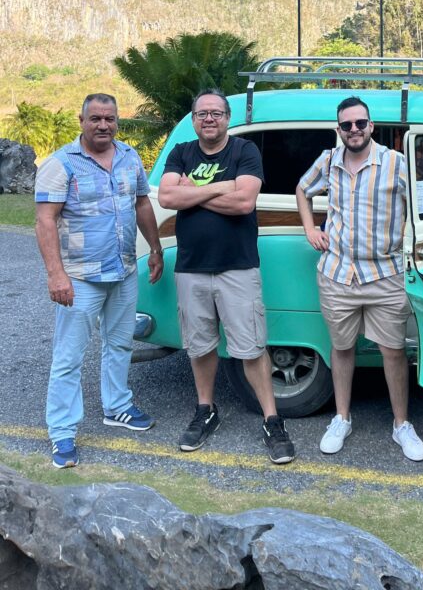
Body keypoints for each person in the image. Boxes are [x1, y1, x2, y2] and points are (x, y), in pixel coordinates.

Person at [296, 96, 423, 461]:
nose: (354, 130)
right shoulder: (328, 161)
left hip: (385, 274)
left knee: (393, 351)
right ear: (339, 130)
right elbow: (303, 190)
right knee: (342, 347)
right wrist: (309, 229)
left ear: (371, 126)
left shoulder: (395, 163)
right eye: (347, 125)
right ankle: (341, 418)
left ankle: (401, 425)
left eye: (360, 123)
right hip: (337, 272)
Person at [158, 89, 294, 464]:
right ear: (194, 119)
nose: (209, 119)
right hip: (191, 266)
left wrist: (195, 190)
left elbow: (244, 202)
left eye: (216, 113)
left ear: (227, 118)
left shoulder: (244, 151)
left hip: (237, 266)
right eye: (202, 114)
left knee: (251, 346)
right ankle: (206, 409)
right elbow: (167, 198)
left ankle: (272, 419)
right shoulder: (181, 151)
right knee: (200, 346)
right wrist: (222, 186)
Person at [35, 93, 163, 469]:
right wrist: (56, 274)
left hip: (122, 269)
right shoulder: (61, 164)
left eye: (110, 119)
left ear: (117, 121)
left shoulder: (129, 156)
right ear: (82, 120)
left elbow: (142, 203)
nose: (103, 125)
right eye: (96, 119)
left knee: (120, 344)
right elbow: (45, 220)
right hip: (81, 277)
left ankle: (117, 407)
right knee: (69, 358)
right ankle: (61, 433)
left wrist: (154, 248)